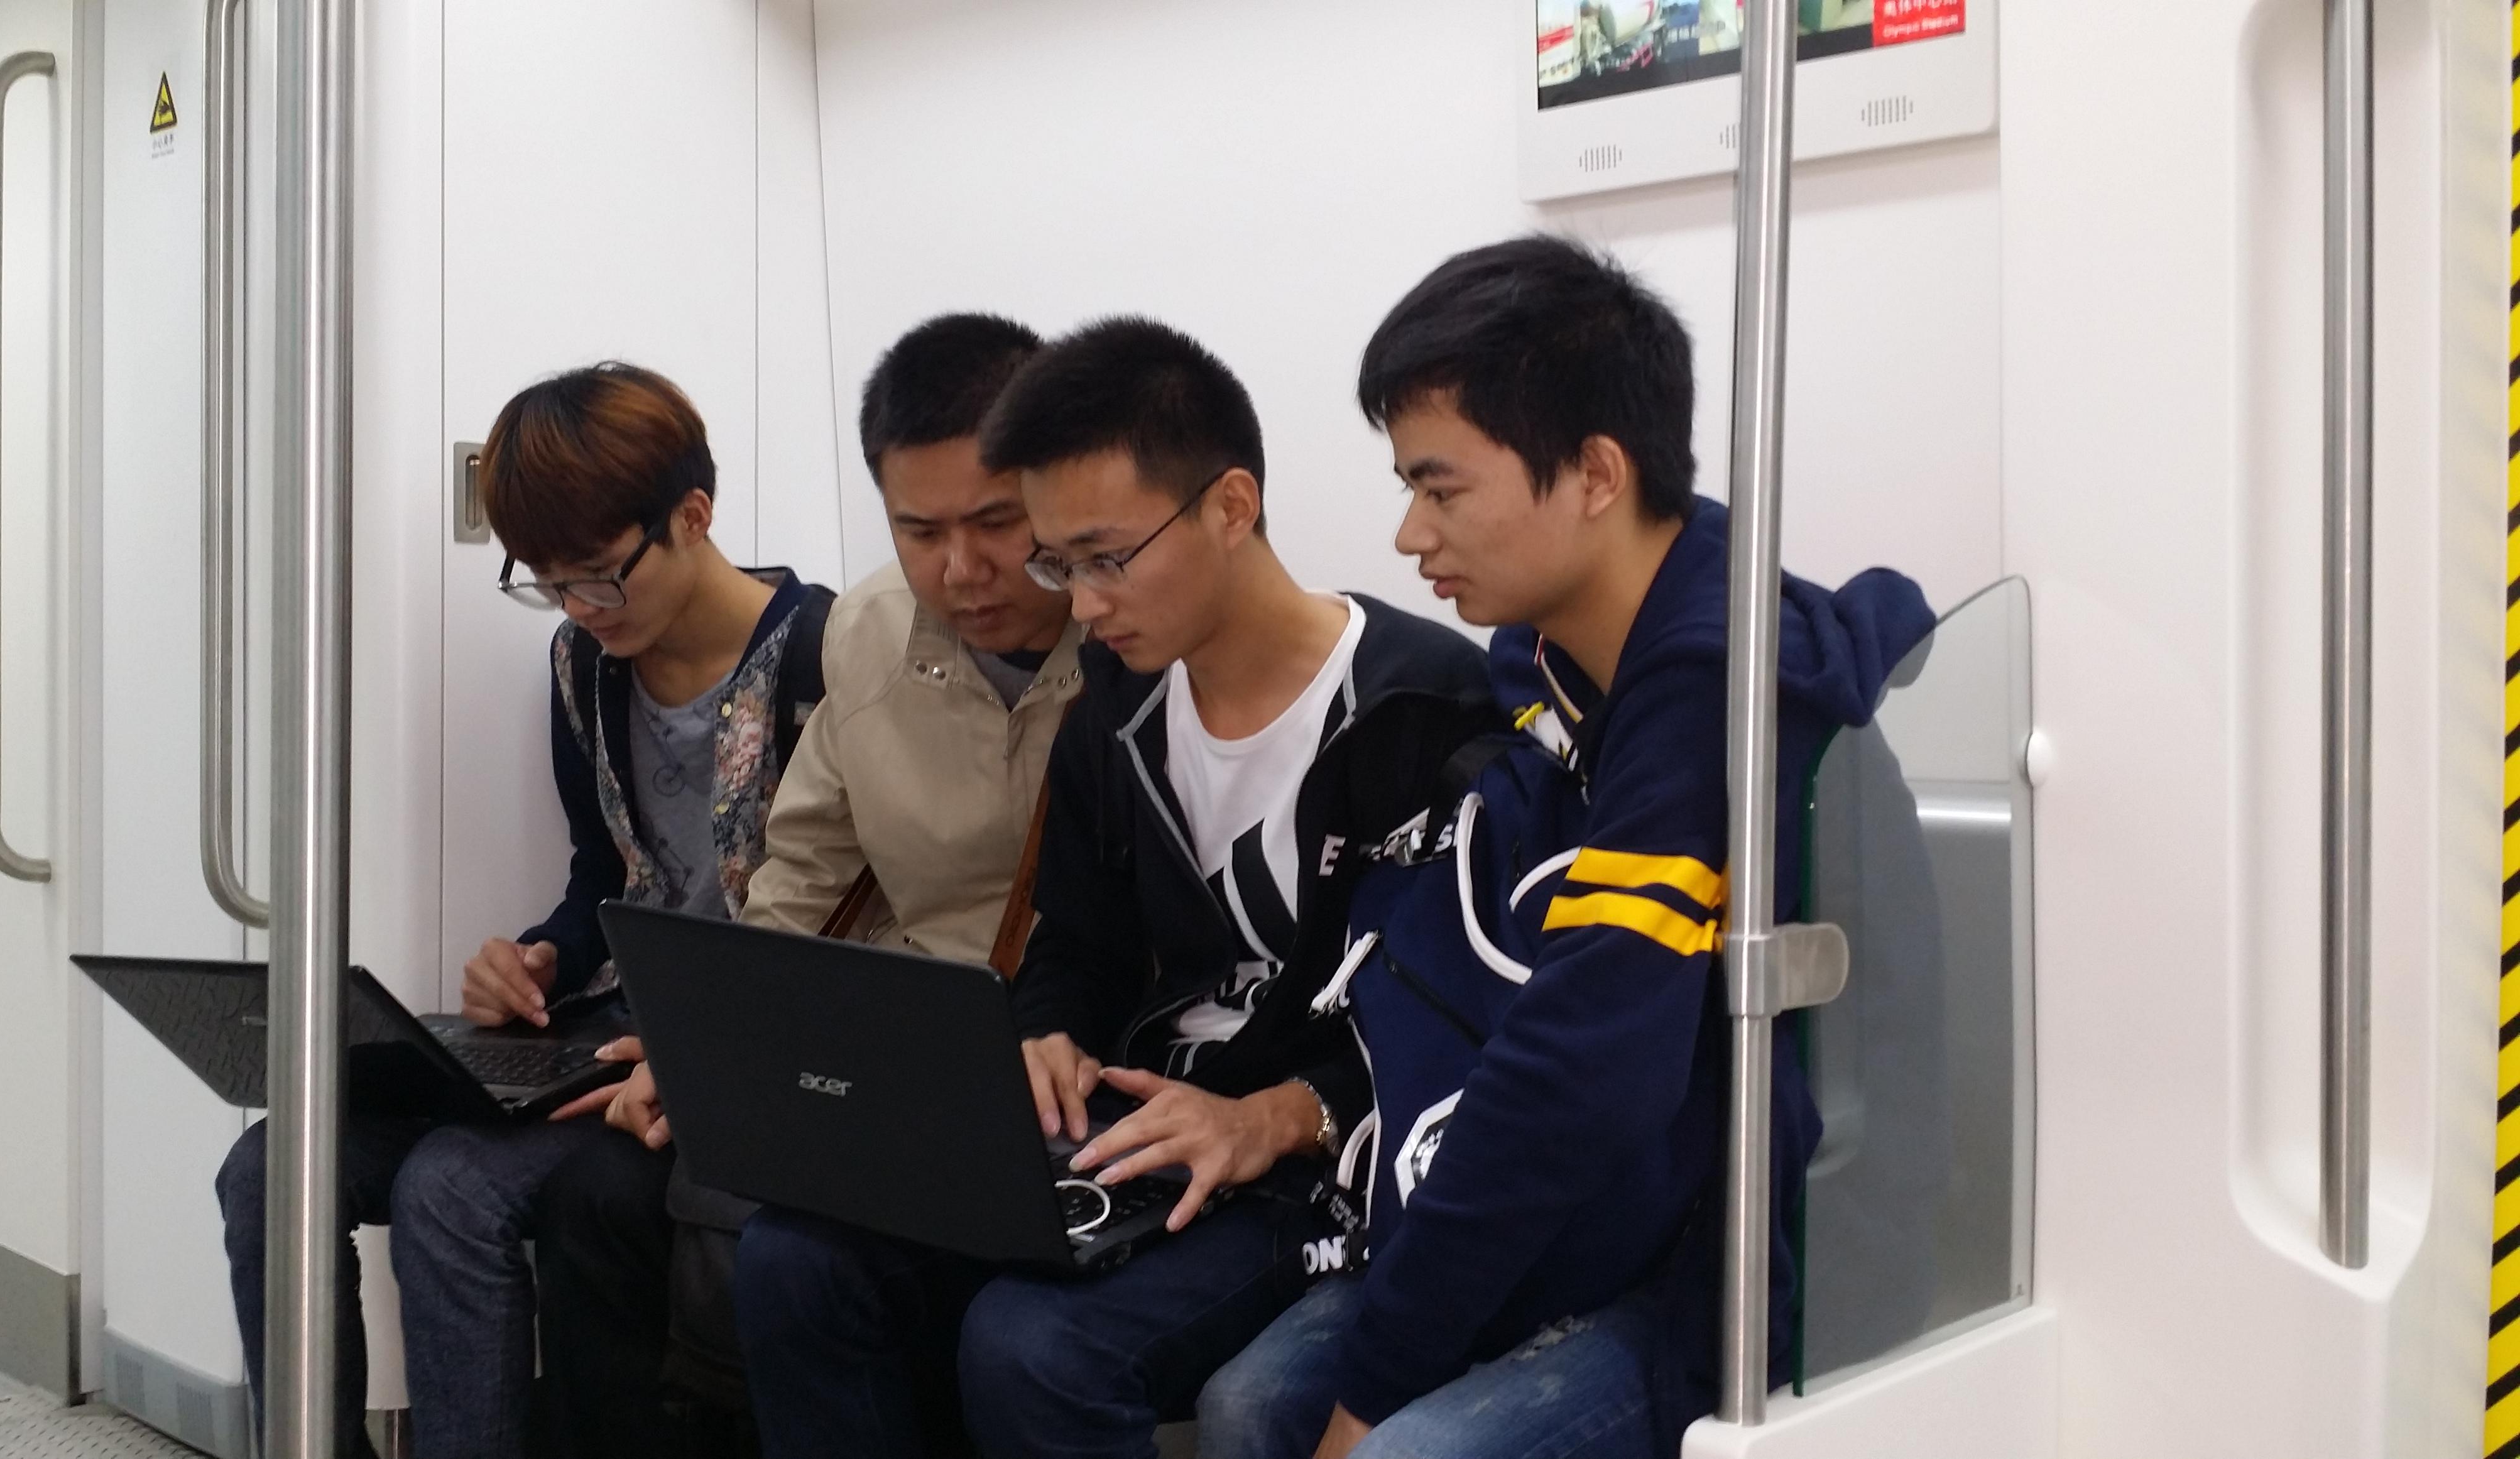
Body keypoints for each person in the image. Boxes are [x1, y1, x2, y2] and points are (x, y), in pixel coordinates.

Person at [1193, 234, 1935, 1459]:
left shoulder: (1714, 699)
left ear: (1594, 473)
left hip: (1738, 1246)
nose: (1409, 536)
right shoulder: (1553, 671)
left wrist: (1371, 1394)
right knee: (1245, 1406)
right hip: (1612, 1194)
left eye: (1441, 490)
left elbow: (1585, 1074)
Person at [729, 318, 1502, 1459]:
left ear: (1231, 506)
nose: (1082, 605)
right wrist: (1044, 1034)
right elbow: (1077, 945)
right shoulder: (1121, 705)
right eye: (1061, 564)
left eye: (1106, 558)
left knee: (1034, 1344)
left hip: (1313, 1162)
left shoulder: (1424, 708)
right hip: (1141, 1125)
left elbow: (1460, 1027)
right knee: (797, 1259)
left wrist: (1276, 1113)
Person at [214, 363, 834, 1459]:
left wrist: (705, 1046)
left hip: (745, 1051)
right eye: (550, 585)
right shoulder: (585, 663)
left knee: (451, 1188)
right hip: (602, 1033)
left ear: (693, 516)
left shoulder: (823, 655)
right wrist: (543, 953)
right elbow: (606, 874)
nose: (581, 609)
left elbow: (852, 928)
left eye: (598, 577)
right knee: (269, 1165)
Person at [527, 313, 1086, 1458]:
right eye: (918, 530)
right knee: (615, 1193)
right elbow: (801, 873)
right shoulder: (871, 631)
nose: (961, 569)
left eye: (997, 522)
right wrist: (710, 1048)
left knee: (847, 1263)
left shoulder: (1135, 634)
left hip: (1066, 1052)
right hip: (895, 1042)